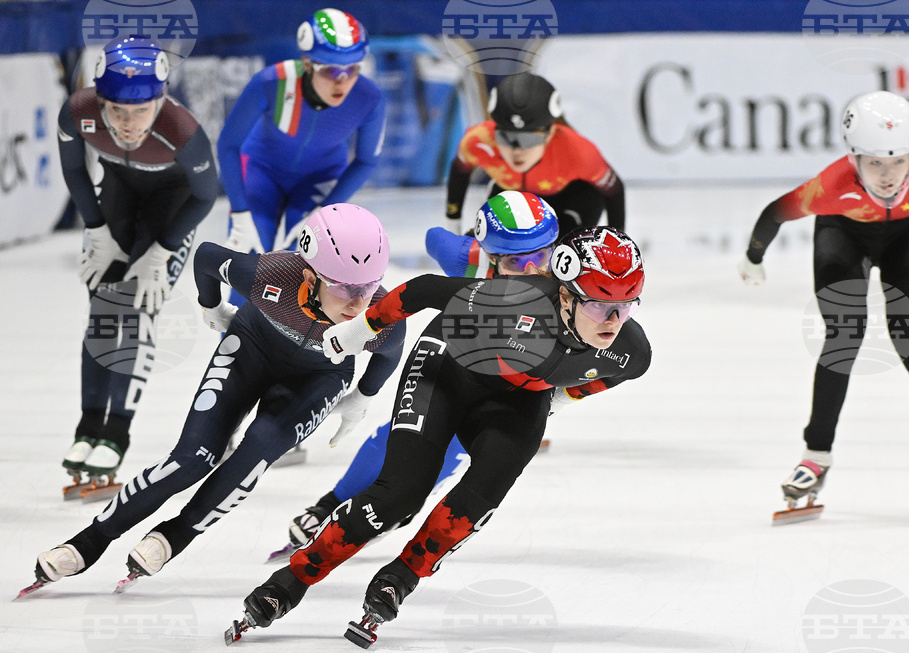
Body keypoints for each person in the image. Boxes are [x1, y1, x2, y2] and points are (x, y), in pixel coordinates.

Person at [231, 225, 651, 647]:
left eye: (626, 307)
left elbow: (617, 373)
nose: (614, 321)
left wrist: (563, 397)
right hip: (448, 368)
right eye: (599, 307)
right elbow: (426, 290)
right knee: (400, 495)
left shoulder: (631, 350)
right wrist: (363, 327)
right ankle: (291, 581)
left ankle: (400, 578)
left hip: (519, 397)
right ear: (565, 295)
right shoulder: (515, 302)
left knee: (477, 500)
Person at [26, 205, 406, 596]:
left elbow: (391, 352)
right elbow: (206, 256)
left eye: (369, 286)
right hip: (251, 349)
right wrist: (211, 305)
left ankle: (175, 535)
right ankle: (88, 541)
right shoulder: (269, 276)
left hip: (321, 375)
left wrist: (363, 396)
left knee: (256, 451)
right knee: (192, 458)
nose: (360, 304)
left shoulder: (382, 315)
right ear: (309, 276)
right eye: (344, 287)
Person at [276, 190, 561, 558]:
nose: (532, 273)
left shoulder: (569, 282)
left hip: (520, 374)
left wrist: (560, 397)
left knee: (450, 452)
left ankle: (393, 507)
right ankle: (327, 505)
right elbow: (435, 240)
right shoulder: (468, 258)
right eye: (516, 263)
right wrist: (466, 246)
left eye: (541, 257)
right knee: (402, 435)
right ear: (489, 257)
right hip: (464, 357)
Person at [737, 91, 909, 522]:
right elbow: (774, 213)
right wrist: (753, 258)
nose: (888, 176)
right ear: (853, 158)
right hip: (843, 233)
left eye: (900, 161)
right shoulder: (829, 186)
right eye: (874, 163)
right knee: (843, 338)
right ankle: (815, 456)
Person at [57, 36, 218, 486]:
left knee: (137, 310)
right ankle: (88, 427)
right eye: (118, 112)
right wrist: (96, 229)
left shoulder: (183, 131)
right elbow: (74, 170)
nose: (128, 124)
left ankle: (116, 433)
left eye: (141, 111)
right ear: (99, 98)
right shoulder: (77, 111)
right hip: (119, 197)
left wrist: (163, 250)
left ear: (162, 99)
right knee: (102, 310)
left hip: (173, 208)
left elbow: (205, 196)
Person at [217, 7, 385, 292]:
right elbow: (228, 145)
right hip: (262, 172)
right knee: (250, 269)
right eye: (332, 70)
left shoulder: (369, 98)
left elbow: (367, 161)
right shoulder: (272, 83)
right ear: (307, 63)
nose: (342, 81)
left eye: (352, 69)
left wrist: (325, 206)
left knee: (303, 276)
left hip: (318, 179)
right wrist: (240, 212)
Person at [445, 72, 626, 237]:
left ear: (551, 133)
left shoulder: (579, 152)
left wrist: (617, 242)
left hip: (571, 198)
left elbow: (614, 191)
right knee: (486, 242)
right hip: (513, 193)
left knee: (559, 241)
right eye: (505, 137)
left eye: (529, 140)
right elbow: (459, 173)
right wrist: (453, 226)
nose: (517, 150)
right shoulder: (479, 140)